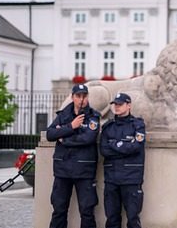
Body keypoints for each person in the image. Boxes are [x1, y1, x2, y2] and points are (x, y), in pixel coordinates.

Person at [47, 83, 101, 228]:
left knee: (87, 210)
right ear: (72, 97)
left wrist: (64, 138)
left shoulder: (93, 117)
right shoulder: (63, 115)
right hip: (62, 169)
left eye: (84, 96)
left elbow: (88, 138)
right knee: (59, 208)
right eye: (78, 96)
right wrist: (71, 126)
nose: (81, 99)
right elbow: (50, 134)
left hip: (84, 170)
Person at [100, 93, 146, 228]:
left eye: (120, 104)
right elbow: (104, 150)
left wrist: (114, 145)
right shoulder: (108, 127)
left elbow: (136, 147)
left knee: (133, 219)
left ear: (129, 105)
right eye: (115, 104)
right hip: (111, 179)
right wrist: (124, 147)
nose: (117, 107)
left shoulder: (137, 125)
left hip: (131, 179)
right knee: (112, 219)